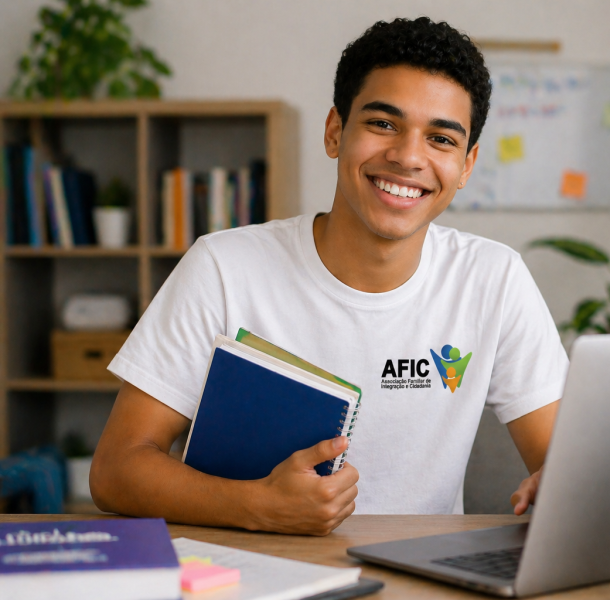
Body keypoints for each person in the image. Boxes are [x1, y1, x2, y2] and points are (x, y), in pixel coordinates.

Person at [90, 17, 569, 536]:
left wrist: (563, 483)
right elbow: (116, 470)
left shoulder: (494, 278)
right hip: (249, 567)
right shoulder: (223, 268)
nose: (409, 157)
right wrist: (257, 506)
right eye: (383, 124)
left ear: (467, 165)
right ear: (335, 131)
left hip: (423, 569)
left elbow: (565, 464)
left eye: (440, 139)